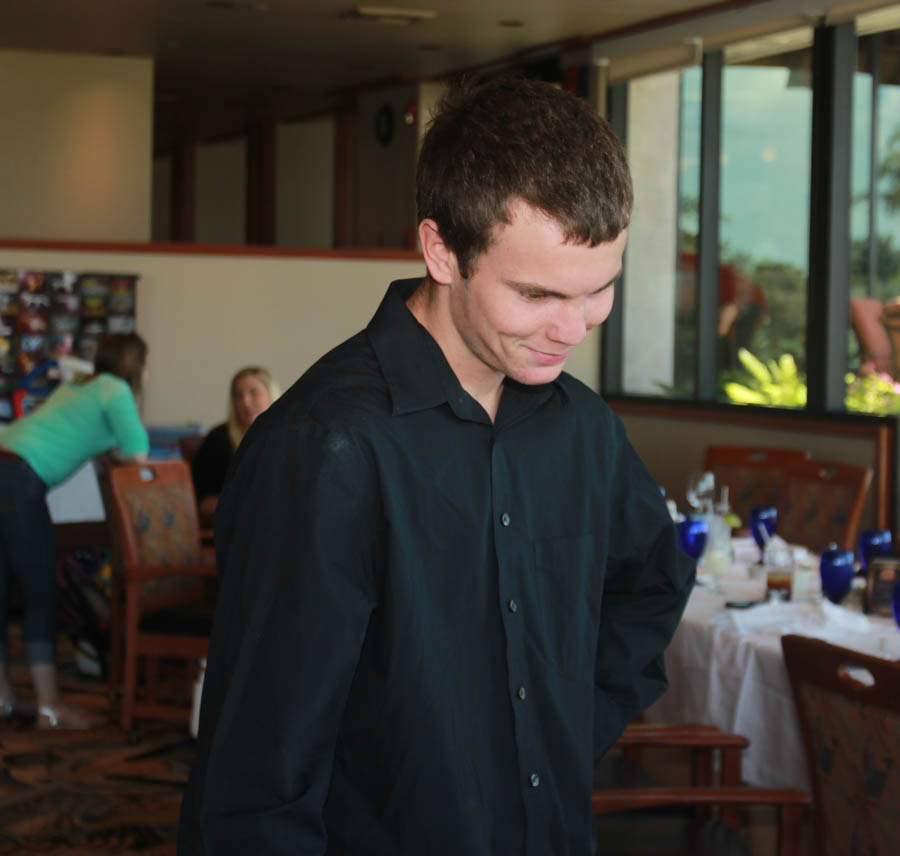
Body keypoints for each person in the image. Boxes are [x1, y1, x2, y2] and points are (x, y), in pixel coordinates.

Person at [178, 78, 695, 855]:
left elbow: (652, 580)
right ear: (440, 250)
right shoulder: (325, 448)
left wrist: (558, 731)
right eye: (537, 294)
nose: (572, 328)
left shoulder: (582, 428)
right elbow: (255, 778)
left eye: (600, 291)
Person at [0, 332, 149, 729]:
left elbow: (77, 437)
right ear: (139, 367)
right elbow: (138, 454)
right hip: (19, 480)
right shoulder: (115, 389)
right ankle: (49, 707)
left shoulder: (78, 384)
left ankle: (3, 699)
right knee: (40, 592)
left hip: (5, 460)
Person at [190, 367, 280, 523]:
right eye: (238, 396)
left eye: (253, 392)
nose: (245, 401)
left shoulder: (287, 435)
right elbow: (203, 502)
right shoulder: (218, 439)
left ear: (271, 394)